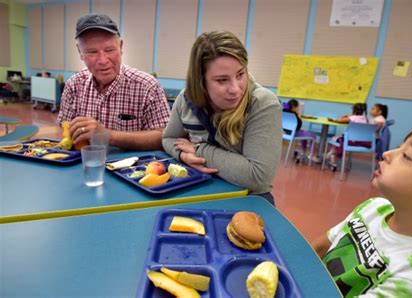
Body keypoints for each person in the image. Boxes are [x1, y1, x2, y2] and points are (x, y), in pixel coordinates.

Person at [313, 120, 412, 297]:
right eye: (398, 147)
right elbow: (322, 246)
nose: (387, 154)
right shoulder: (376, 207)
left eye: (407, 157)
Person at [162, 31, 282, 205]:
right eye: (222, 80)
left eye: (240, 75)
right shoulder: (186, 99)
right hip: (198, 192)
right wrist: (183, 156)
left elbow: (258, 176)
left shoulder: (263, 103)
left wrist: (198, 150)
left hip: (248, 200)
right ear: (200, 80)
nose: (235, 89)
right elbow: (168, 138)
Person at [57, 13, 170, 150]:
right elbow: (64, 130)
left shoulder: (147, 86)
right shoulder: (74, 85)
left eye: (109, 50)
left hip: (132, 169)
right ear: (80, 52)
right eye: (92, 52)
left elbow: (163, 137)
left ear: (121, 47)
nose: (103, 60)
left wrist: (107, 135)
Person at [325, 103, 368, 171]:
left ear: (353, 110)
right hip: (359, 142)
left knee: (334, 138)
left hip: (349, 141)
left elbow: (339, 120)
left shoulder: (352, 118)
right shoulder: (365, 119)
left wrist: (344, 116)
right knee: (338, 139)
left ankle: (332, 156)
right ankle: (331, 155)